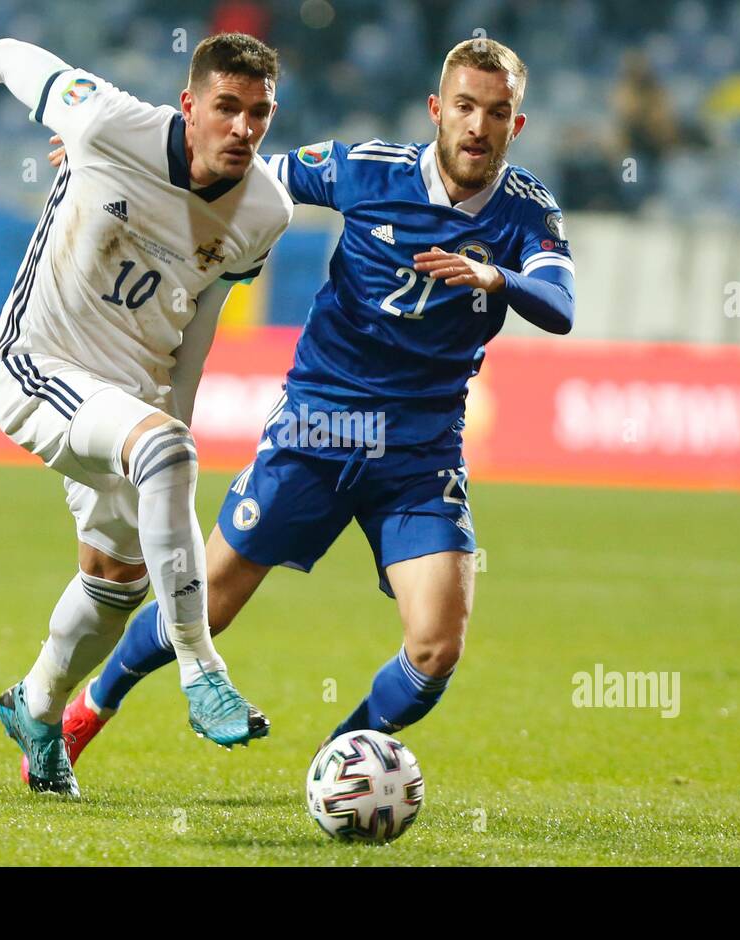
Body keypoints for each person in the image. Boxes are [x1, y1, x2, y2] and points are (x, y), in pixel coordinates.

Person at [47, 36, 574, 769]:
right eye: (464, 107)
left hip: (419, 455)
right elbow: (243, 171)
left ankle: (342, 759)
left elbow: (559, 303)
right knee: (208, 604)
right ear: (437, 110)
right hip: (318, 428)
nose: (477, 127)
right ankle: (88, 707)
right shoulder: (368, 169)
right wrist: (110, 167)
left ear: (516, 125)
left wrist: (496, 282)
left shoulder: (526, 213)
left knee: (434, 651)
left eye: (496, 112)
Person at [0, 33, 292, 796]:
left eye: (260, 114)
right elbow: (8, 54)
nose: (243, 128)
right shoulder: (107, 122)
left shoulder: (264, 211)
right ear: (190, 106)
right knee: (167, 456)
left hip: (131, 402)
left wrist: (169, 425)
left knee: (116, 583)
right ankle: (202, 668)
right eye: (227, 108)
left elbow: (197, 335)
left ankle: (37, 712)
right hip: (38, 368)